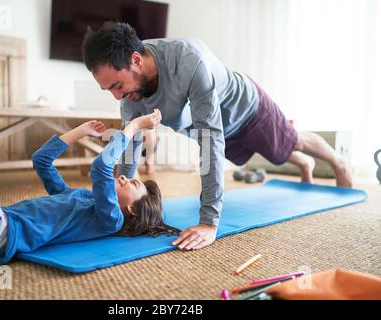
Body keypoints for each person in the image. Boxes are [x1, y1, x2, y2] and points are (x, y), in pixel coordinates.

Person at [81, 21, 353, 252]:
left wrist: (209, 222)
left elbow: (210, 138)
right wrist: (121, 203)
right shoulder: (130, 93)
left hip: (247, 110)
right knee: (277, 153)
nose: (117, 96)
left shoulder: (188, 59)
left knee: (292, 140)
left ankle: (338, 161)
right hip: (214, 127)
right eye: (109, 90)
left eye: (117, 86)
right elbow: (130, 148)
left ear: (136, 61)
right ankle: (305, 164)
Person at [0, 110, 179, 267]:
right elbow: (41, 160)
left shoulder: (109, 220)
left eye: (133, 183)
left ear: (132, 211)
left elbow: (102, 168)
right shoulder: (79, 199)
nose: (124, 178)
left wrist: (133, 126)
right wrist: (82, 131)